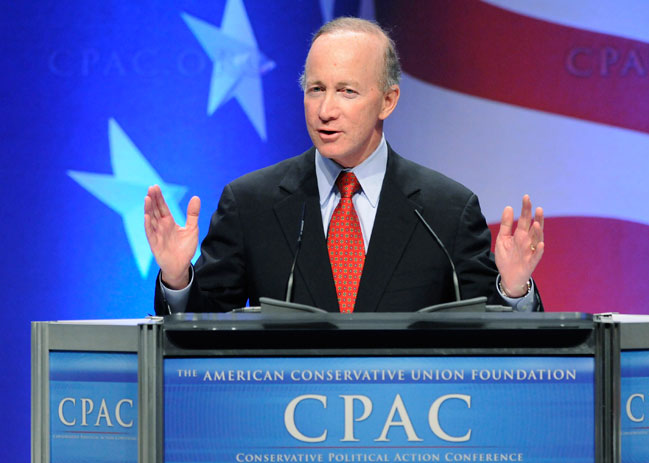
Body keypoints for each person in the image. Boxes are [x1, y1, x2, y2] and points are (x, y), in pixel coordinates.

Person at [145, 17, 545, 315]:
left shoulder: (446, 212)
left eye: (346, 91)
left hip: (409, 420)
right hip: (284, 419)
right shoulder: (251, 204)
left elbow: (490, 343)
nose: (326, 110)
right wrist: (179, 278)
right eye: (316, 89)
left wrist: (512, 288)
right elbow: (205, 334)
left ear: (388, 101)